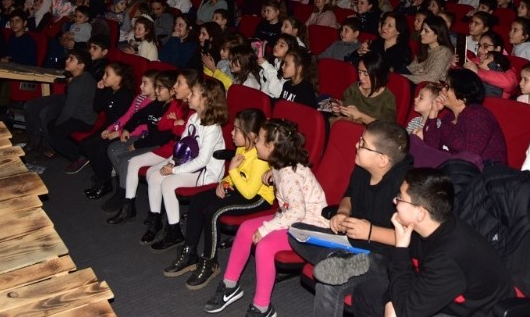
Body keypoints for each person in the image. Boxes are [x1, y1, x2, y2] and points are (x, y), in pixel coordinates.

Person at [203, 118, 329, 317]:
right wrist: (272, 171)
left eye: (260, 140)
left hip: (310, 227)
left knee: (265, 245)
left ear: (271, 147)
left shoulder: (288, 175)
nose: (256, 143)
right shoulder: (282, 165)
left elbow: (297, 212)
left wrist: (265, 229)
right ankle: (230, 286)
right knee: (245, 228)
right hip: (293, 218)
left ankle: (263, 307)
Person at [289, 121, 414, 317]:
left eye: (362, 143)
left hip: (382, 255)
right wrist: (343, 213)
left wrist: (370, 231)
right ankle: (339, 258)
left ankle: (345, 261)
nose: (357, 145)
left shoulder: (406, 186)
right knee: (296, 232)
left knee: (329, 284)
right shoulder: (363, 167)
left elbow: (410, 237)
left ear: (382, 159)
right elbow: (349, 195)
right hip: (350, 242)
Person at [366, 169, 514, 317]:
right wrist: (391, 301)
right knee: (365, 294)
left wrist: (400, 248)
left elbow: (408, 311)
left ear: (420, 213)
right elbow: (407, 275)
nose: (394, 201)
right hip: (442, 296)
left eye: (400, 197)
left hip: (478, 312)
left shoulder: (447, 256)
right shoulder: (432, 226)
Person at [165, 108, 274, 289]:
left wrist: (231, 171)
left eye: (237, 130)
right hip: (240, 188)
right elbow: (235, 176)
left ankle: (210, 261)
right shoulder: (242, 147)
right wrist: (223, 183)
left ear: (252, 135)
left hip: (258, 198)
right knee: (199, 200)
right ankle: (190, 251)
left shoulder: (260, 159)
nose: (231, 132)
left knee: (213, 212)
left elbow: (249, 193)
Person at [143, 79, 228, 251]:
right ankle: (155, 220)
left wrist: (174, 170)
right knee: (154, 175)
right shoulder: (194, 118)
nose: (188, 96)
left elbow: (202, 161)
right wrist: (171, 163)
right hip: (190, 165)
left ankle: (174, 231)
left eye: (193, 94)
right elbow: (182, 146)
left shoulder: (212, 128)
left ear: (206, 100)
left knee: (168, 182)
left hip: (205, 173)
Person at [101, 71, 182, 219]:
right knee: (113, 149)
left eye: (160, 88)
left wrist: (137, 145)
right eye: (156, 87)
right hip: (147, 140)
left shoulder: (174, 108)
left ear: (172, 91)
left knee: (126, 159)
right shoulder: (157, 103)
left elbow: (162, 137)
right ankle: (123, 185)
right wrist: (126, 129)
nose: (156, 91)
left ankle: (123, 196)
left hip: (157, 145)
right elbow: (137, 115)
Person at [85, 69, 158, 201]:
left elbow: (143, 127)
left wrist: (118, 133)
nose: (140, 86)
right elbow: (127, 116)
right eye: (141, 83)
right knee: (92, 145)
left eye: (145, 83)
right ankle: (105, 179)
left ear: (156, 87)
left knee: (105, 148)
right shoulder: (139, 97)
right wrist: (110, 128)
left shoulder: (156, 104)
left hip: (139, 135)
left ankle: (110, 183)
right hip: (126, 131)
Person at [412, 69, 508, 166]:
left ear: (463, 97)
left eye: (447, 87)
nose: (442, 90)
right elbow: (431, 148)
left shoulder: (478, 115)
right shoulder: (448, 117)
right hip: (456, 170)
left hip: (484, 173)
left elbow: (469, 158)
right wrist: (433, 112)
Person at [332, 52, 397, 125]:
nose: (360, 77)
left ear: (379, 74)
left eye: (365, 73)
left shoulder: (387, 98)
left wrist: (360, 116)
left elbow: (386, 127)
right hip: (347, 127)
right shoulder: (354, 88)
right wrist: (338, 109)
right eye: (359, 72)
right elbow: (344, 109)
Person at [463, 31, 519, 98]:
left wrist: (478, 72)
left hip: (495, 104)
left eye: (485, 46)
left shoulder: (505, 65)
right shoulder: (475, 60)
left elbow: (509, 83)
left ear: (497, 49)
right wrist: (453, 65)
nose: (480, 49)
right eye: (479, 46)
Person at [404, 15, 454, 84]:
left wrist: (404, 77)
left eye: (426, 31)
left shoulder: (444, 52)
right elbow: (410, 69)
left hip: (432, 90)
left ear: (437, 34)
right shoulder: (425, 49)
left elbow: (431, 78)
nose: (421, 33)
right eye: (422, 30)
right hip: (417, 85)